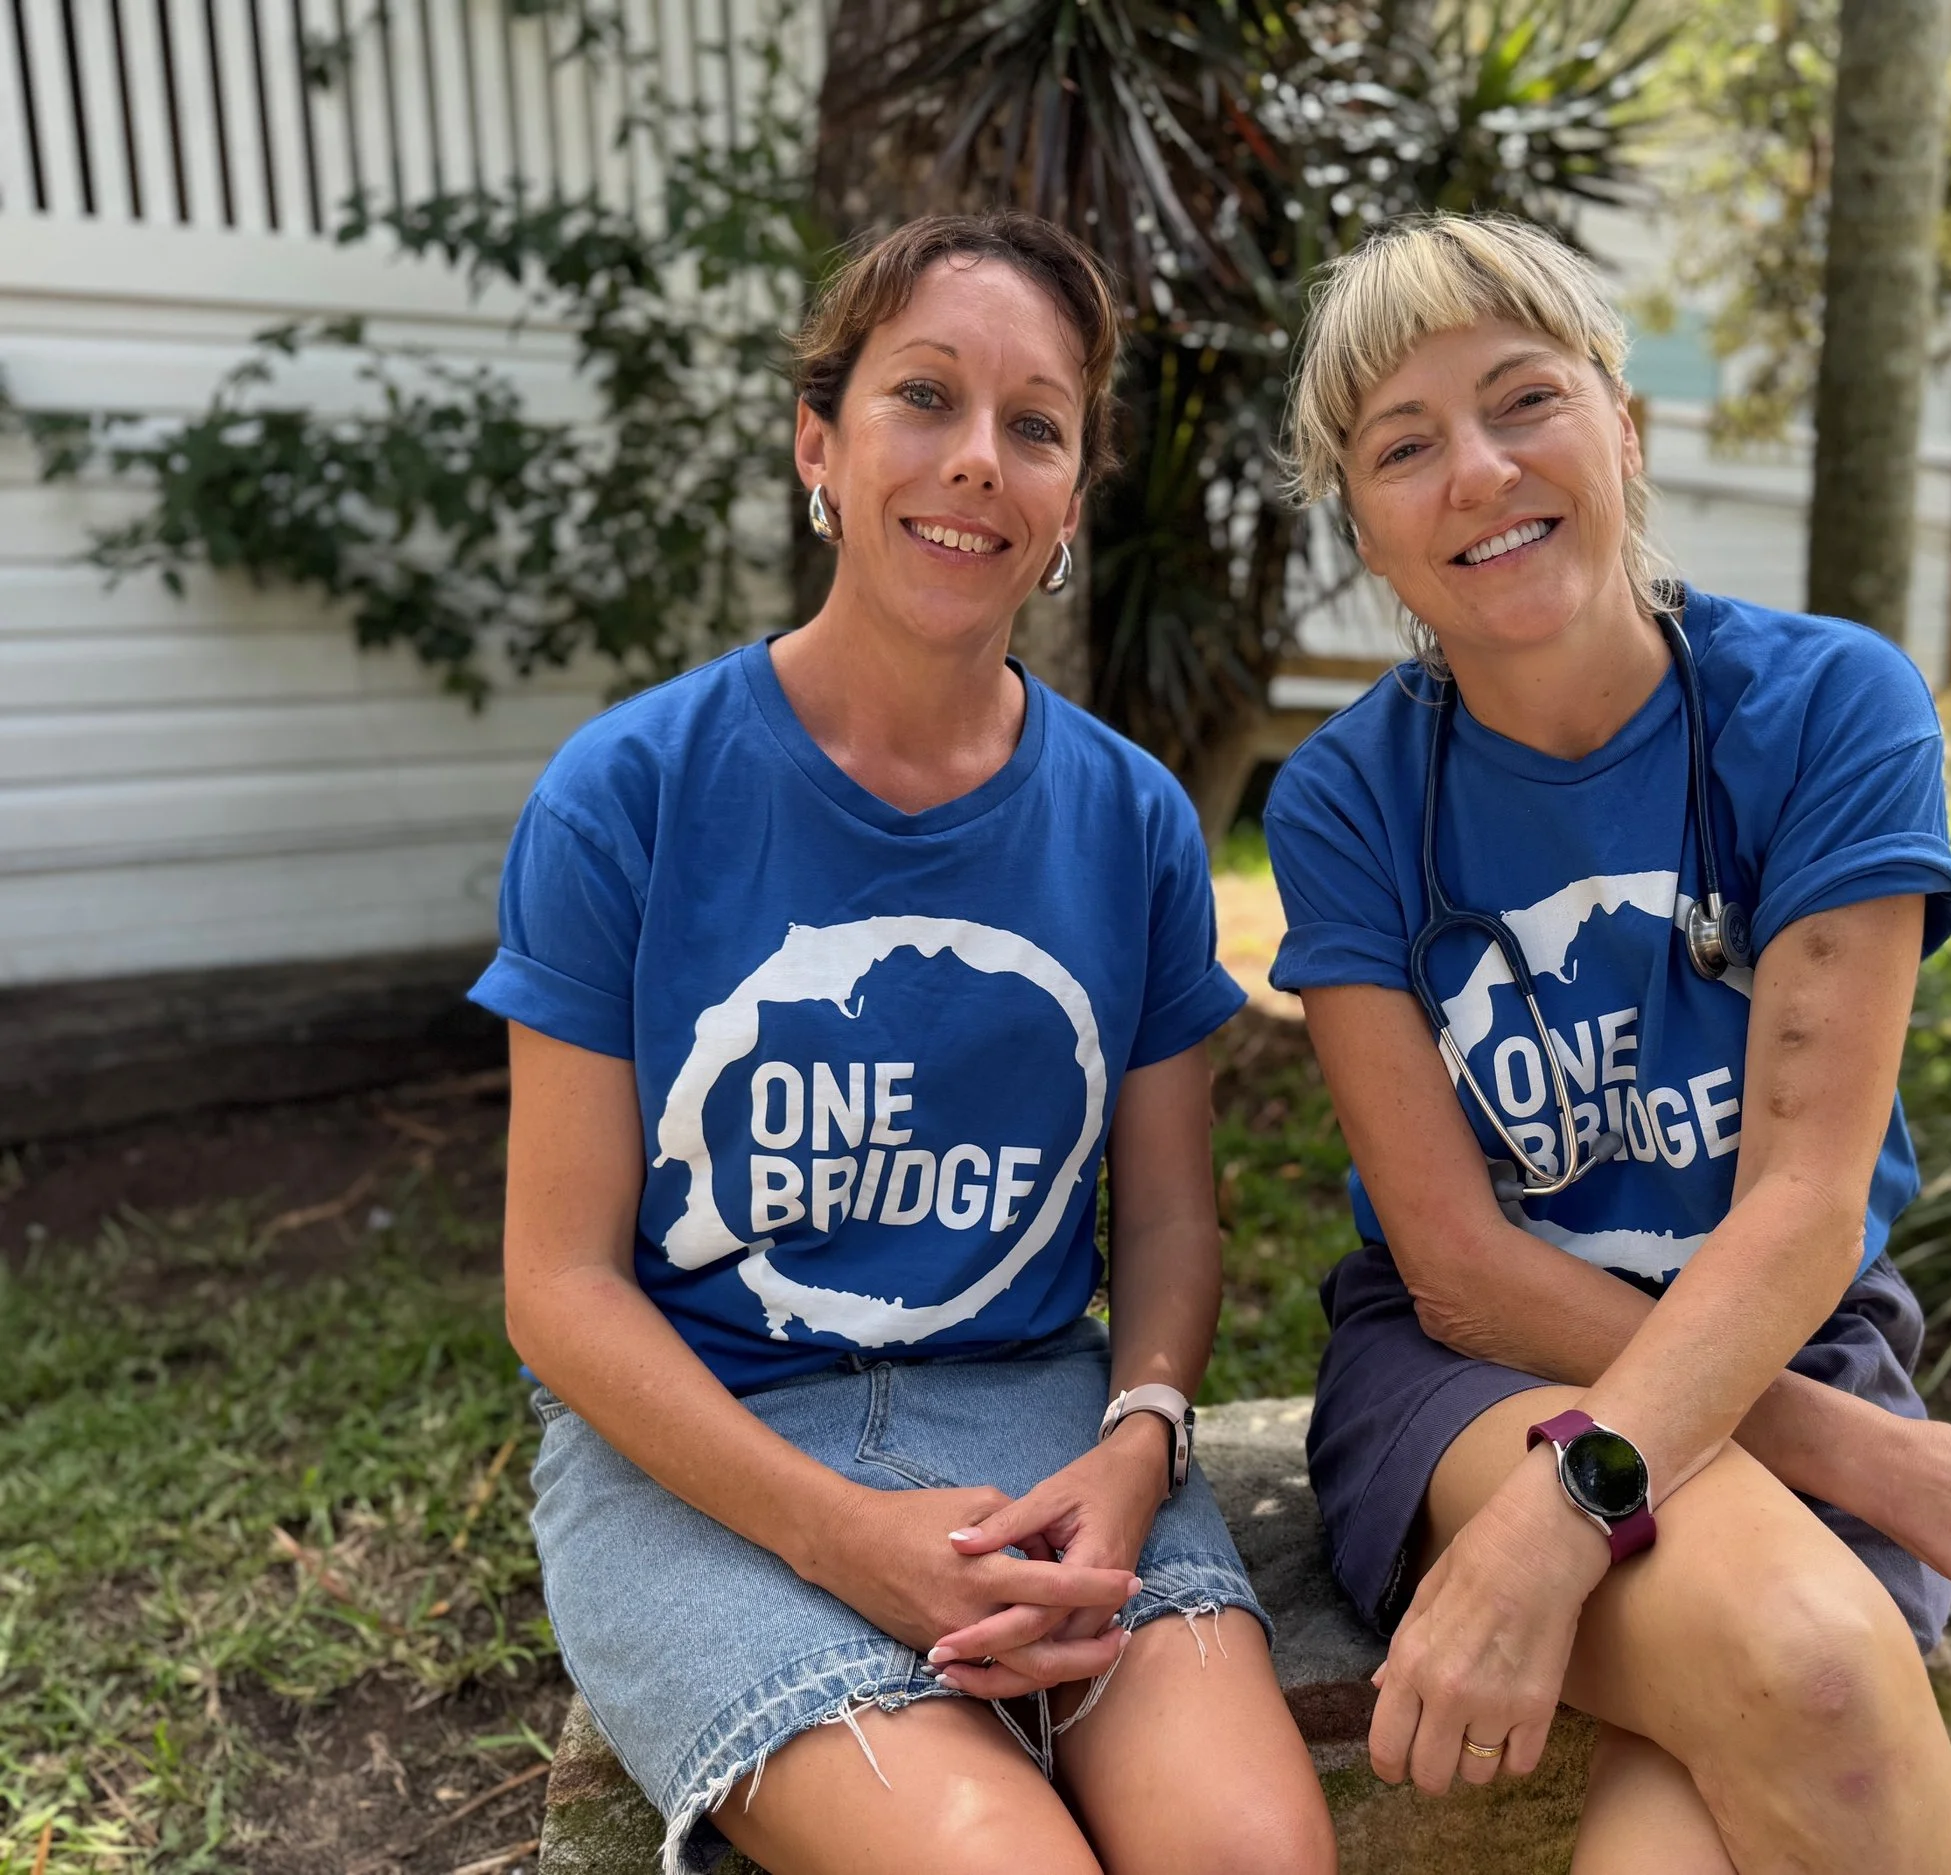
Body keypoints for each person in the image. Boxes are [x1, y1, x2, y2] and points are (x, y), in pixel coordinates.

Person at [1262, 213, 1951, 1871]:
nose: (1476, 468)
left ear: (1623, 427)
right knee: (1815, 1669)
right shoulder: (1347, 802)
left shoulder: (1826, 710)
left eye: (1524, 400)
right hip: (1475, 1374)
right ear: (1365, 526)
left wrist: (1575, 1508)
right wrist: (1868, 1466)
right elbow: (1453, 1262)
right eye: (1404, 444)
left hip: (1783, 1327)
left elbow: (1803, 1208)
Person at [475, 212, 1334, 1875]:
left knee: (1255, 1854)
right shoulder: (627, 796)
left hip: (1043, 1428)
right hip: (703, 1447)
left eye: (1035, 425)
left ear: (1072, 499)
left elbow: (1165, 1219)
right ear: (821, 441)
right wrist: (848, 1538)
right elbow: (556, 1285)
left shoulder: (1133, 820)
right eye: (923, 397)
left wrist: (1138, 1439)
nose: (976, 463)